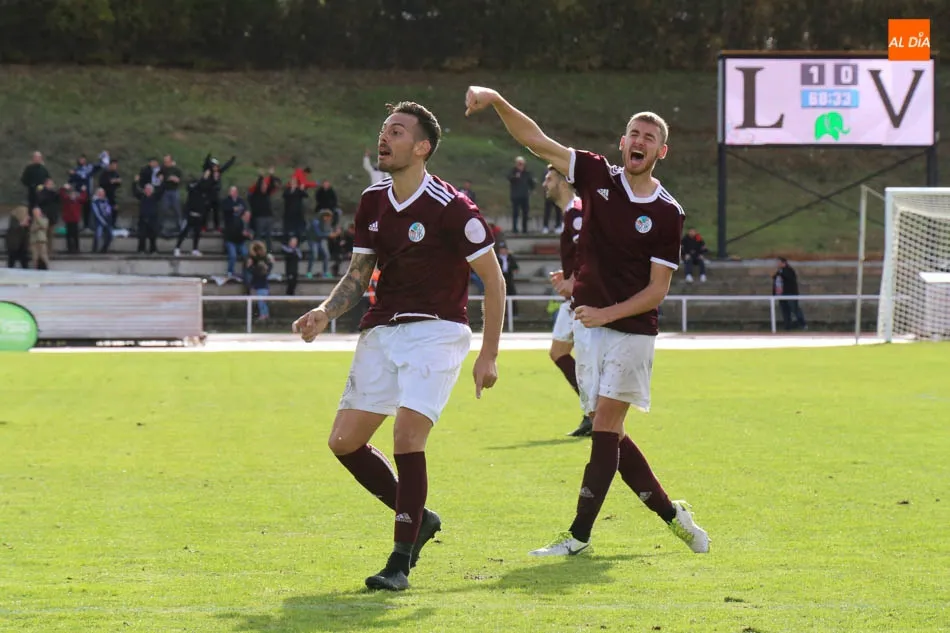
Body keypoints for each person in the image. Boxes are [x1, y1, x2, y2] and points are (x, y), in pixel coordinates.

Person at [465, 86, 709, 557]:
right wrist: (496, 101)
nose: (640, 141)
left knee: (604, 428)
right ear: (623, 143)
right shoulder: (597, 174)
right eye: (634, 133)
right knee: (611, 434)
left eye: (650, 137)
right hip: (589, 327)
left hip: (633, 331)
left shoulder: (667, 212)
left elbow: (658, 290)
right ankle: (672, 515)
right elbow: (536, 140)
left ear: (662, 151)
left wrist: (604, 314)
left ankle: (577, 536)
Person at [292, 101, 506, 592]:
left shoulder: (454, 208)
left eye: (397, 131)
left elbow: (494, 282)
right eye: (383, 129)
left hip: (437, 330)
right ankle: (420, 519)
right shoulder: (372, 201)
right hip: (382, 329)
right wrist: (326, 311)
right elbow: (358, 274)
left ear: (422, 146)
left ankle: (399, 562)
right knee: (343, 443)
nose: (384, 138)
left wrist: (489, 354)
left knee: (408, 437)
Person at [542, 164, 591, 438]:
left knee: (581, 357)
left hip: (583, 298)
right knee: (560, 353)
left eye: (549, 179)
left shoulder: (575, 212)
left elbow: (588, 250)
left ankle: (595, 412)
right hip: (577, 295)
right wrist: (568, 274)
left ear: (562, 181)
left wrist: (573, 281)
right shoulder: (571, 212)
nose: (545, 184)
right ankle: (591, 410)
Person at [772, 257, 807, 330]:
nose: (777, 264)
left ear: (783, 263)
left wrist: (781, 274)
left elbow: (789, 279)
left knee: (795, 309)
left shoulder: (789, 271)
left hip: (790, 294)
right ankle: (787, 326)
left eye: (779, 262)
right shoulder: (779, 272)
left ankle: (802, 324)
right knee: (785, 311)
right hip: (781, 295)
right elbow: (776, 282)